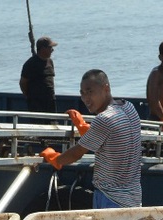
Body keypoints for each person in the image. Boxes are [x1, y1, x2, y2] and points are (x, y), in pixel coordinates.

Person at [40, 70, 141, 209]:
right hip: (134, 199)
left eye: (90, 92)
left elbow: (77, 153)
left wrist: (56, 160)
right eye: (82, 93)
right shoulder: (129, 107)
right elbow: (114, 137)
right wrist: (85, 129)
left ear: (106, 89)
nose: (86, 98)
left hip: (110, 199)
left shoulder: (103, 119)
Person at [19, 36, 57, 113]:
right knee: (38, 123)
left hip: (50, 101)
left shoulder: (50, 62)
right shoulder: (30, 64)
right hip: (36, 103)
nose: (52, 50)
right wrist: (30, 96)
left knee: (53, 123)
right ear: (43, 48)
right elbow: (23, 83)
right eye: (50, 48)